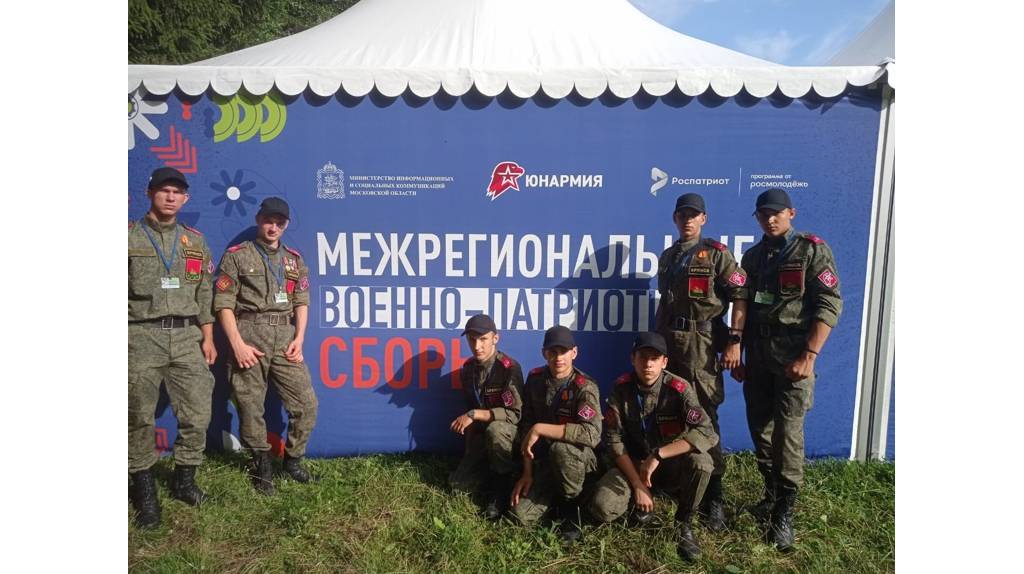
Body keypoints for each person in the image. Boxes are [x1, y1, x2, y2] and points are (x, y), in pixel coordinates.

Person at [733, 188, 842, 550]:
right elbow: (744, 304)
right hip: (758, 355)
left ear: (790, 213)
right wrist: (738, 348)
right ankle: (771, 493)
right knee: (760, 428)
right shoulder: (752, 257)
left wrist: (809, 355)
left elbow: (829, 304)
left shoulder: (811, 250)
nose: (770, 219)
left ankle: (785, 511)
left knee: (788, 432)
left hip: (795, 356)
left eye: (776, 213)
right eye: (763, 214)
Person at [128, 167, 217, 528]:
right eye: (163, 190)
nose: (170, 197)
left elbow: (205, 293)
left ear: (185, 198)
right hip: (139, 336)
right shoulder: (128, 238)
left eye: (177, 192)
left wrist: (208, 336)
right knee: (137, 416)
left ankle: (184, 482)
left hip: (186, 336)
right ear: (149, 193)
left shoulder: (195, 242)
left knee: (197, 412)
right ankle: (144, 491)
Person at [655, 192, 748, 530]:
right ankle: (680, 480)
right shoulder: (668, 257)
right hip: (671, 342)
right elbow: (664, 304)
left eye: (694, 215)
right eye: (683, 215)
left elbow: (740, 295)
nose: (688, 220)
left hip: (702, 345)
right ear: (675, 219)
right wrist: (656, 344)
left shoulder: (717, 254)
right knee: (672, 410)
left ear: (704, 219)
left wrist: (735, 341)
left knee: (705, 416)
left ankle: (714, 497)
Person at [214, 197, 317, 495]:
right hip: (250, 333)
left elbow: (301, 301)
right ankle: (262, 465)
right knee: (250, 404)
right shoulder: (237, 255)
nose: (273, 227)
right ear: (259, 220)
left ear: (286, 225)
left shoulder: (294, 260)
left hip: (285, 336)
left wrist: (299, 338)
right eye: (269, 221)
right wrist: (237, 344)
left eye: (279, 223)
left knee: (306, 403)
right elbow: (223, 303)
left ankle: (293, 461)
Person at [588, 332, 718, 560]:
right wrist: (638, 484)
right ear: (633, 359)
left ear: (664, 362)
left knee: (702, 462)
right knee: (602, 507)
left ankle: (683, 523)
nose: (648, 364)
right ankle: (638, 499)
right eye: (642, 357)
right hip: (633, 465)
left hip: (669, 464)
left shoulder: (679, 389)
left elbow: (707, 433)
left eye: (654, 358)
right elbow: (613, 440)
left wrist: (659, 455)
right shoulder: (621, 388)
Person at [510, 326, 602, 543]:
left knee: (561, 449)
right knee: (520, 516)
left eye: (563, 351)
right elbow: (526, 427)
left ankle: (573, 508)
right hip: (547, 461)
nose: (558, 357)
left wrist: (541, 428)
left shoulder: (584, 387)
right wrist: (527, 473)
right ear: (544, 353)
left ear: (574, 353)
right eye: (553, 352)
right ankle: (555, 498)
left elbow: (592, 434)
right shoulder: (535, 379)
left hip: (578, 460)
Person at [448, 314, 524, 520]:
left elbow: (515, 414)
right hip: (484, 436)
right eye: (472, 339)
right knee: (458, 486)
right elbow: (470, 415)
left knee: (495, 429)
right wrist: (469, 454)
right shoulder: (468, 370)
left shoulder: (508, 368)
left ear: (495, 339)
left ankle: (502, 488)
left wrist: (474, 414)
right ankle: (489, 472)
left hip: (509, 435)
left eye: (483, 339)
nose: (477, 346)